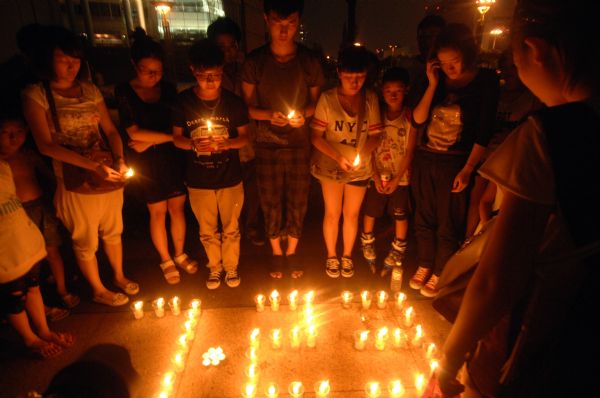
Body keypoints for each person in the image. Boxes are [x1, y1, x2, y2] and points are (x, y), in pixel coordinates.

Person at [437, 0, 600, 396]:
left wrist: (450, 362)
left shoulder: (551, 135)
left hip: (543, 333)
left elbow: (497, 279)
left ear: (534, 50)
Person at [22, 27, 138, 306]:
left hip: (105, 171)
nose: (72, 66)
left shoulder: (89, 89)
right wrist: (91, 166)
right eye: (63, 59)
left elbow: (110, 131)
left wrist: (120, 159)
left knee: (114, 228)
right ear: (47, 60)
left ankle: (118, 275)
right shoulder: (36, 94)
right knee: (85, 237)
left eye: (76, 60)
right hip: (75, 177)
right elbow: (46, 145)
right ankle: (98, 288)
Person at [410, 23, 499, 298]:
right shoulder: (434, 80)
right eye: (444, 63)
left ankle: (441, 269)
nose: (451, 69)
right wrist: (433, 84)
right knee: (423, 216)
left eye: (455, 62)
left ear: (468, 54)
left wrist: (468, 168)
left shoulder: (485, 81)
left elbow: (484, 132)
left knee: (449, 219)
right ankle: (425, 264)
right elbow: (417, 120)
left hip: (456, 161)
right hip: (427, 157)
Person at [241, 0, 325, 279]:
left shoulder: (309, 61)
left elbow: (316, 103)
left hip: (299, 143)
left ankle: (293, 251)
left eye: (289, 23)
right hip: (266, 143)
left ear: (298, 21)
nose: (284, 29)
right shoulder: (254, 62)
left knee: (299, 199)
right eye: (278, 22)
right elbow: (248, 107)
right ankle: (277, 252)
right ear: (267, 19)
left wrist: (303, 113)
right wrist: (267, 115)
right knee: (270, 200)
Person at [115, 32, 196, 285]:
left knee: (177, 208)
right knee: (158, 211)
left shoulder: (169, 89)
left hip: (171, 158)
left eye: (158, 71)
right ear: (134, 65)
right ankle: (165, 258)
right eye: (146, 70)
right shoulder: (124, 91)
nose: (153, 76)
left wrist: (159, 139)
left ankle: (180, 253)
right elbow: (133, 133)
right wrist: (169, 138)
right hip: (147, 163)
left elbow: (176, 128)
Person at [172, 39, 249, 290]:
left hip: (230, 176)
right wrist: (194, 145)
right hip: (198, 179)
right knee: (207, 229)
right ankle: (215, 268)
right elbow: (177, 138)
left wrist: (228, 144)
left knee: (231, 227)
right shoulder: (183, 103)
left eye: (215, 75)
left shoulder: (233, 102)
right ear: (193, 71)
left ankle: (232, 266)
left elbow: (245, 137)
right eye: (204, 75)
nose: (211, 81)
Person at [310, 45, 383, 278]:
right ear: (339, 73)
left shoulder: (370, 99)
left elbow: (375, 136)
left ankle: (347, 256)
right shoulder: (328, 99)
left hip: (359, 169)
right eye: (349, 77)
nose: (355, 82)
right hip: (331, 166)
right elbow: (316, 137)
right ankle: (332, 256)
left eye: (360, 77)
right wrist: (338, 157)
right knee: (333, 213)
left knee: (352, 214)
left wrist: (363, 157)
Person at [0, 114, 80, 313]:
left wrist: (58, 200)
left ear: (26, 132)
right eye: (6, 132)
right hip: (15, 216)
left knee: (53, 251)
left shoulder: (28, 155)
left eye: (18, 132)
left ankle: (62, 291)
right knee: (29, 261)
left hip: (40, 207)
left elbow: (50, 178)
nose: (13, 137)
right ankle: (38, 303)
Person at [0, 159, 74, 359]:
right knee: (14, 295)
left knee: (33, 286)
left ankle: (44, 331)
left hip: (23, 238)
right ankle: (30, 338)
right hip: (4, 249)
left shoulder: (4, 166)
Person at [465, 49, 541, 236]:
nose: (508, 72)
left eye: (512, 67)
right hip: (488, 154)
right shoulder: (495, 95)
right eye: (504, 67)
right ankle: (468, 241)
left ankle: (492, 240)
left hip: (511, 160)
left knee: (498, 203)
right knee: (476, 199)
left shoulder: (531, 99)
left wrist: (512, 135)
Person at [208, 17, 264, 246]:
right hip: (221, 142)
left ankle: (251, 226)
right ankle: (230, 230)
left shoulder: (248, 69)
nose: (227, 52)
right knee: (226, 191)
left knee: (252, 188)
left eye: (231, 46)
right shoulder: (210, 74)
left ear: (238, 46)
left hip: (249, 140)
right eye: (220, 47)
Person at [360, 67, 417, 281]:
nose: (393, 95)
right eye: (388, 90)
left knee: (400, 212)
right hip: (377, 172)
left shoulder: (410, 117)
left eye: (398, 90)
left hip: (400, 176)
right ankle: (367, 241)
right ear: (382, 92)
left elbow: (410, 151)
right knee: (371, 209)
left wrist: (397, 177)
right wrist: (374, 174)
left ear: (406, 91)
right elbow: (370, 146)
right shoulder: (377, 115)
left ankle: (399, 247)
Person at [403, 14, 446, 108]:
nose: (426, 41)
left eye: (432, 35)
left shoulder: (449, 69)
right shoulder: (409, 69)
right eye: (422, 36)